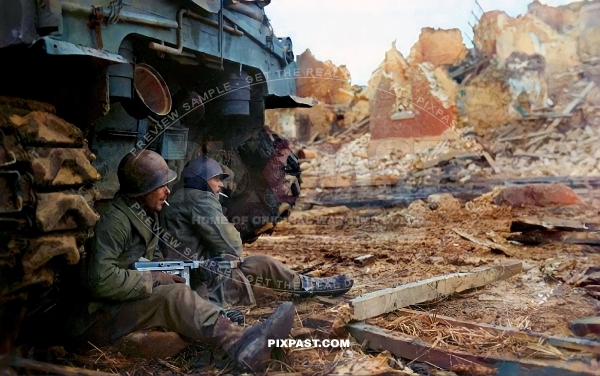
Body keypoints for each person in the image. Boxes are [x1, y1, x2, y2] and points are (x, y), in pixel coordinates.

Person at [77, 150, 294, 372]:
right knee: (175, 296)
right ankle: (242, 344)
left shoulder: (144, 213)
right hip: (102, 315)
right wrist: (153, 278)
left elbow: (152, 259)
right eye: (161, 186)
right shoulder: (114, 222)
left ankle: (231, 327)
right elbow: (100, 280)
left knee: (189, 288)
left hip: (127, 299)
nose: (167, 191)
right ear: (143, 191)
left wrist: (183, 270)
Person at [159, 155, 353, 307]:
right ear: (201, 180)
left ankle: (307, 284)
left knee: (260, 264)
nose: (221, 184)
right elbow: (232, 246)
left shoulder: (180, 197)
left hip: (191, 276)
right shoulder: (200, 199)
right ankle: (310, 286)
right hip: (201, 284)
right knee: (262, 264)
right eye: (216, 179)